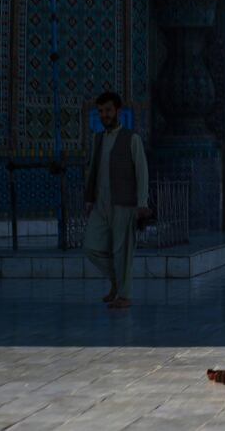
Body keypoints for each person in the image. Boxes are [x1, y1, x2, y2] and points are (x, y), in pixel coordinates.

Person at [83, 92, 150, 309]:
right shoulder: (98, 138)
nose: (105, 115)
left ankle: (124, 295)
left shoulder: (132, 139)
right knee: (91, 247)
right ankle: (117, 283)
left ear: (118, 111)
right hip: (101, 203)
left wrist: (142, 203)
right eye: (101, 111)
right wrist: (89, 198)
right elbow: (93, 169)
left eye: (108, 111)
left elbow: (142, 172)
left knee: (122, 250)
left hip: (124, 203)